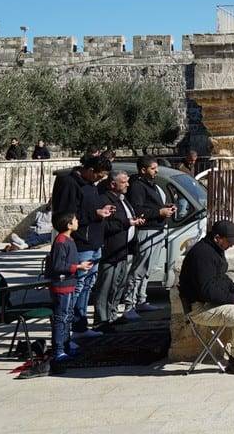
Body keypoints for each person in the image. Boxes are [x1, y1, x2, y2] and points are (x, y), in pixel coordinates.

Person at [179, 219, 234, 375]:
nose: (231, 245)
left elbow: (221, 278)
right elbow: (207, 291)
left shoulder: (215, 250)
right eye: (229, 241)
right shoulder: (202, 255)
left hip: (210, 302)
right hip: (199, 308)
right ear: (217, 238)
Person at [50, 155, 114, 338]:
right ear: (90, 170)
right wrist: (94, 214)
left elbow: (90, 207)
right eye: (99, 175)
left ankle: (80, 325)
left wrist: (103, 210)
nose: (100, 179)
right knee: (77, 286)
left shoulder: (90, 185)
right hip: (80, 243)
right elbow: (66, 216)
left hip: (94, 241)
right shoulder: (69, 183)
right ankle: (66, 332)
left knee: (87, 285)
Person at [125, 156, 177, 315]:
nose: (156, 171)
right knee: (139, 269)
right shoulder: (137, 186)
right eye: (153, 168)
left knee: (148, 269)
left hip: (157, 229)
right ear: (143, 170)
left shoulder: (151, 184)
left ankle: (141, 299)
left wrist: (165, 208)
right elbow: (138, 209)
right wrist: (159, 212)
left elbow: (151, 206)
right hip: (147, 230)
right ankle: (129, 304)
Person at [92, 171, 144, 326]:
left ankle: (112, 315)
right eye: (123, 182)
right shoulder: (104, 200)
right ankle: (102, 320)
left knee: (118, 286)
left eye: (127, 181)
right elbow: (105, 226)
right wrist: (127, 223)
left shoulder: (122, 199)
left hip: (123, 250)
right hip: (111, 251)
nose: (127, 184)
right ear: (113, 184)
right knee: (106, 288)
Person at [44, 212, 93, 366]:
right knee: (61, 318)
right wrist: (78, 267)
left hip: (69, 285)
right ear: (68, 225)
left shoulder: (69, 240)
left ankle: (66, 346)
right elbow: (58, 265)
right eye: (75, 220)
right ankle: (58, 350)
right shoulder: (61, 241)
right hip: (61, 287)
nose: (77, 221)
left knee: (68, 316)